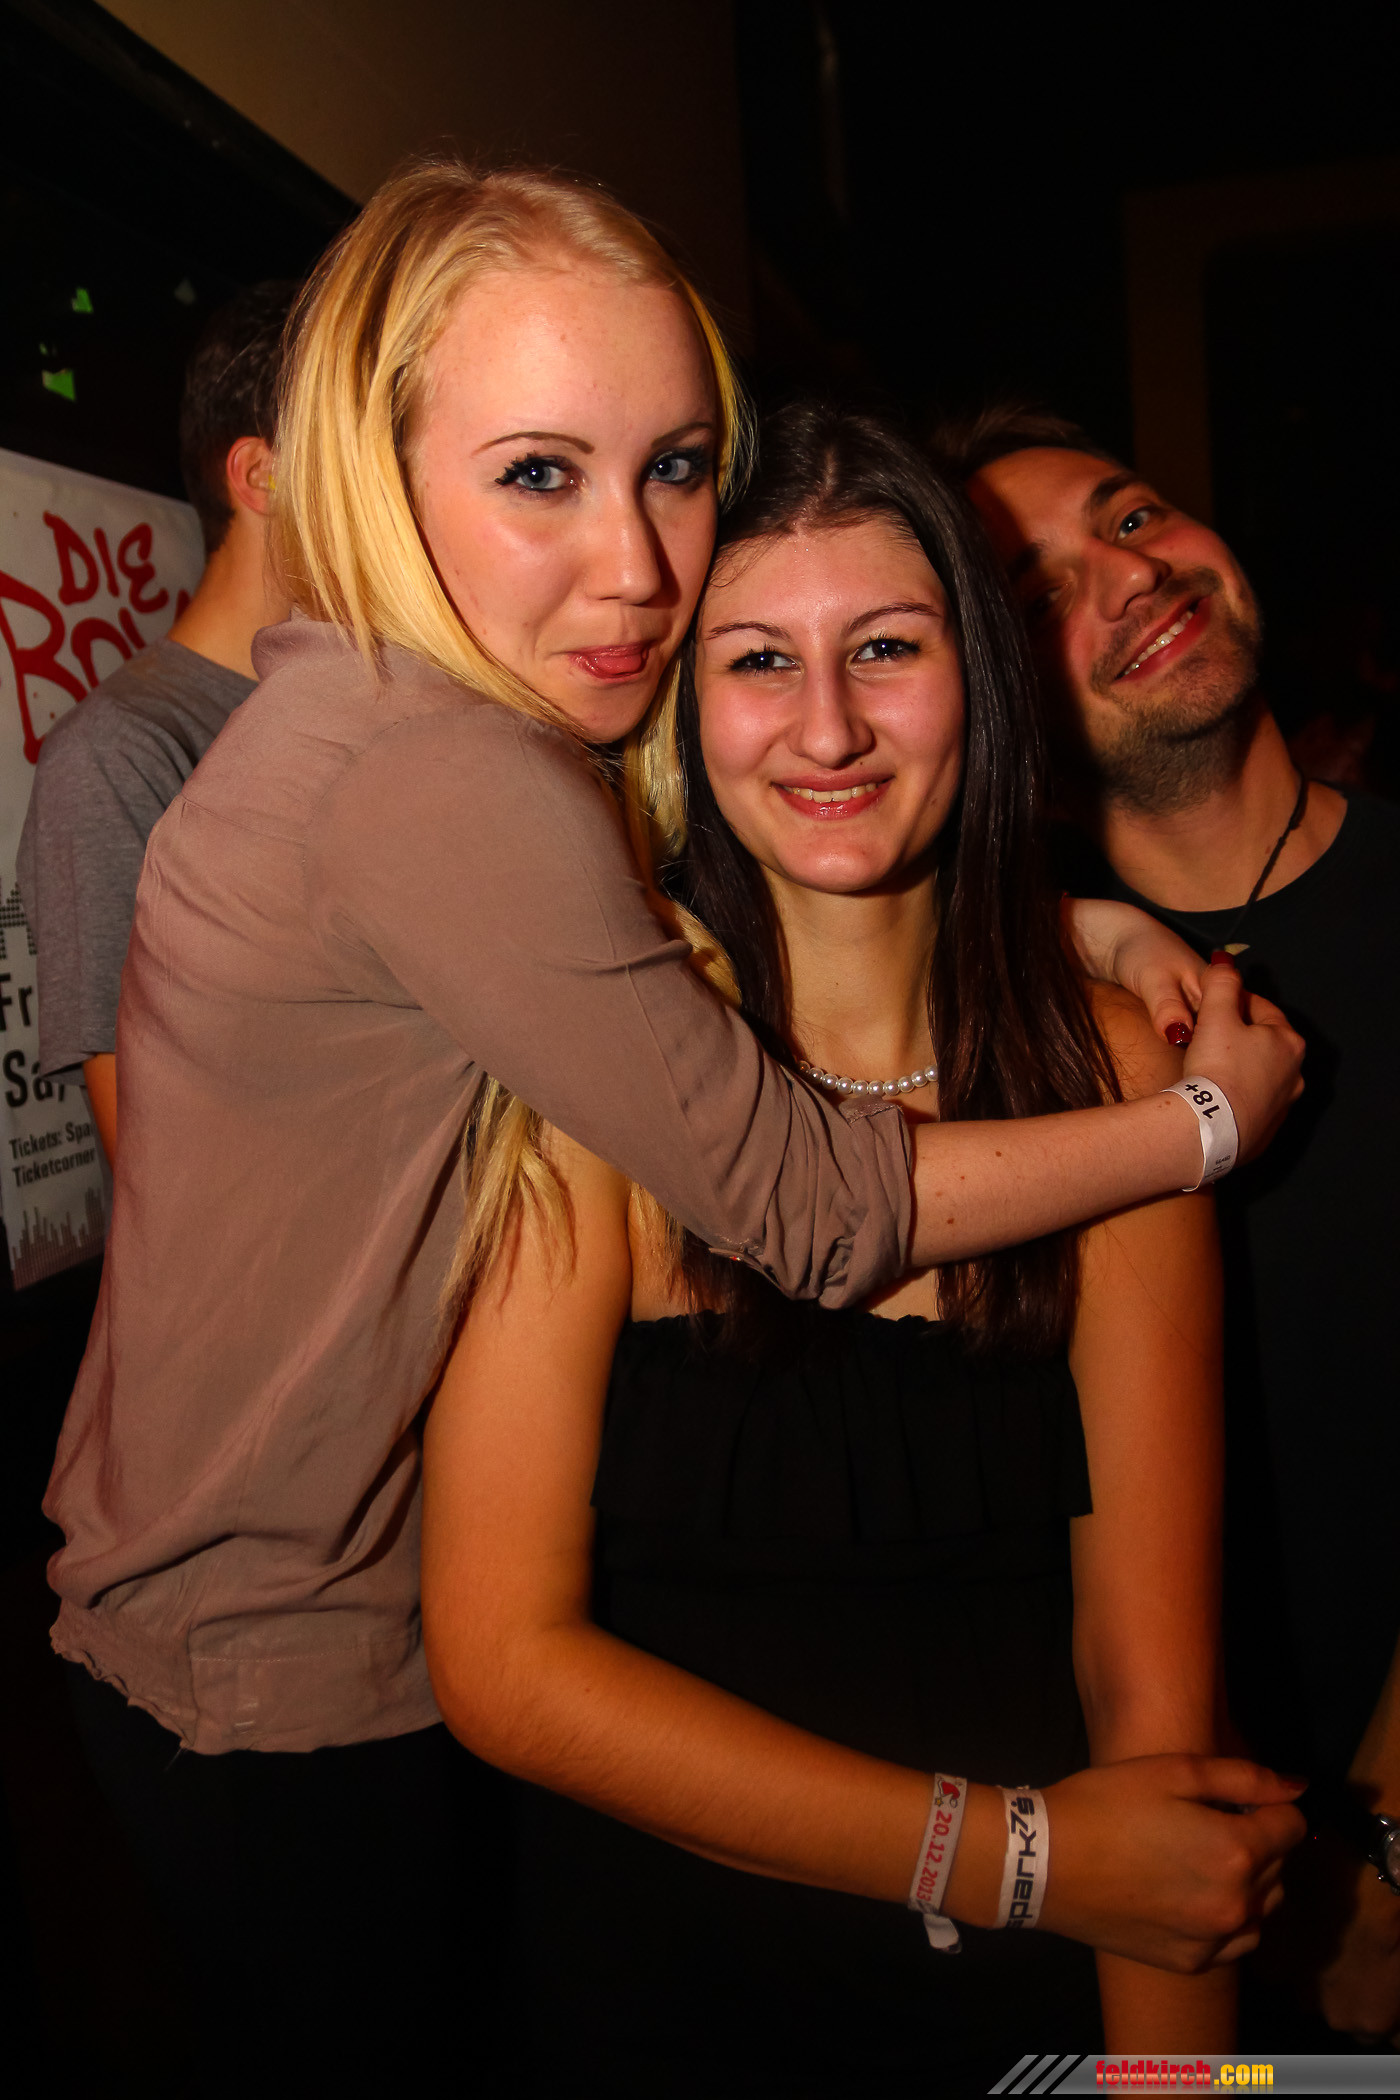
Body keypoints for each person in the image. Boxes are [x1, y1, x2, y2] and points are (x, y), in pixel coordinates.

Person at [43, 164, 1299, 2094]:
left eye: (676, 469)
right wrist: (1203, 1122)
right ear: (373, 473)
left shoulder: (493, 790)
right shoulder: (461, 804)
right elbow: (802, 1207)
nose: (633, 565)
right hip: (293, 1685)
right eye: (540, 474)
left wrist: (1084, 930)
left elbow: (1167, 1742)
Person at [420, 403, 1305, 2091]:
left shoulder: (1121, 1075)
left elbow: (1158, 1715)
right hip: (657, 1999)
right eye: (759, 661)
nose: (827, 726)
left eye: (887, 647)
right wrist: (1020, 1857)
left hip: (1019, 2022)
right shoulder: (597, 1077)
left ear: (981, 674)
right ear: (683, 707)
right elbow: (501, 1665)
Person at [947, 404, 1400, 2048]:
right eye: (1039, 591)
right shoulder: (1000, 1030)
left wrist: (1381, 1857)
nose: (1129, 573)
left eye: (1131, 515)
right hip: (1144, 1914)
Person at [17, 281, 297, 1164]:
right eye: (367, 452)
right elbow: (158, 1170)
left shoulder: (359, 712)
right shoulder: (118, 752)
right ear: (260, 476)